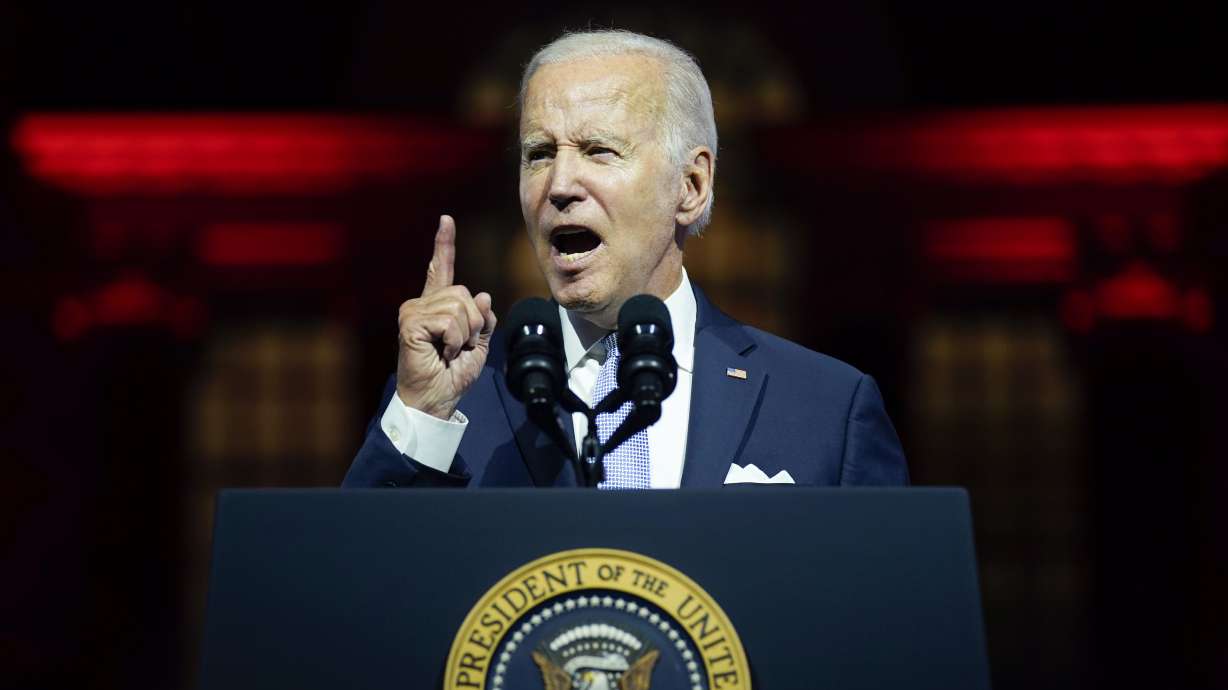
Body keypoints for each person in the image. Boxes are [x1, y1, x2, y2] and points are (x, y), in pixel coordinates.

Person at [343, 30, 908, 488]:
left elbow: (882, 616)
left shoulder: (827, 408)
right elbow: (362, 594)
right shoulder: (454, 397)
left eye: (599, 151)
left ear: (691, 185)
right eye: (538, 154)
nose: (559, 184)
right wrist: (421, 413)